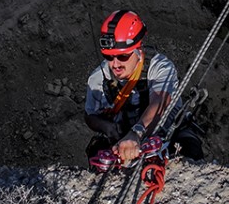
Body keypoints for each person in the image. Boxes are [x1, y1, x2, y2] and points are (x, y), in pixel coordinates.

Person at [84, 9, 205, 165]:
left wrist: (137, 132)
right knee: (97, 152)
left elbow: (159, 101)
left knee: (190, 149)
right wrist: (108, 127)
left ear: (138, 49)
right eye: (108, 56)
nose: (115, 64)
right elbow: (90, 115)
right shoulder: (98, 79)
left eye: (122, 56)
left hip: (169, 134)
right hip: (125, 140)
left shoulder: (160, 67)